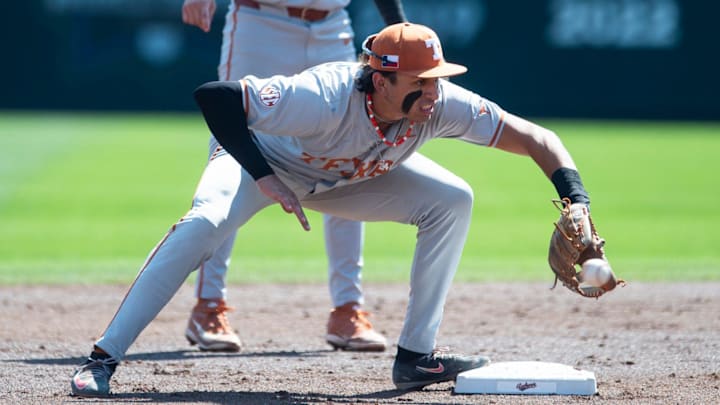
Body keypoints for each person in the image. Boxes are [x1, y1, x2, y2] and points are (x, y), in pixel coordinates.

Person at [71, 22, 598, 396]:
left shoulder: (438, 106)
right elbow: (215, 97)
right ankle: (103, 359)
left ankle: (416, 359)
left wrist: (578, 201)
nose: (433, 92)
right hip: (260, 163)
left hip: (343, 179)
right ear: (381, 78)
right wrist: (264, 176)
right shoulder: (323, 95)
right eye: (420, 82)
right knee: (204, 224)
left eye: (436, 79)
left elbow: (536, 137)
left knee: (452, 199)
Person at [180, 0, 406, 353]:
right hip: (260, 22)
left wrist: (397, 25)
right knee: (230, 152)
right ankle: (208, 304)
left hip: (333, 27)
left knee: (350, 153)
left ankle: (348, 309)